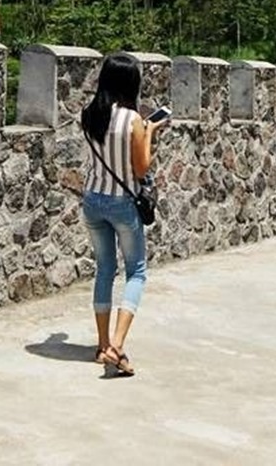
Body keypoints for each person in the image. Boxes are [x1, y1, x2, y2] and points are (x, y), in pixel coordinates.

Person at [80, 53, 168, 377]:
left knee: (104, 269)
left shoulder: (88, 114)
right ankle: (117, 346)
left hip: (92, 200)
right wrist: (149, 132)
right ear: (131, 84)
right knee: (137, 271)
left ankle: (102, 344)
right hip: (121, 203)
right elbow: (142, 167)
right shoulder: (132, 120)